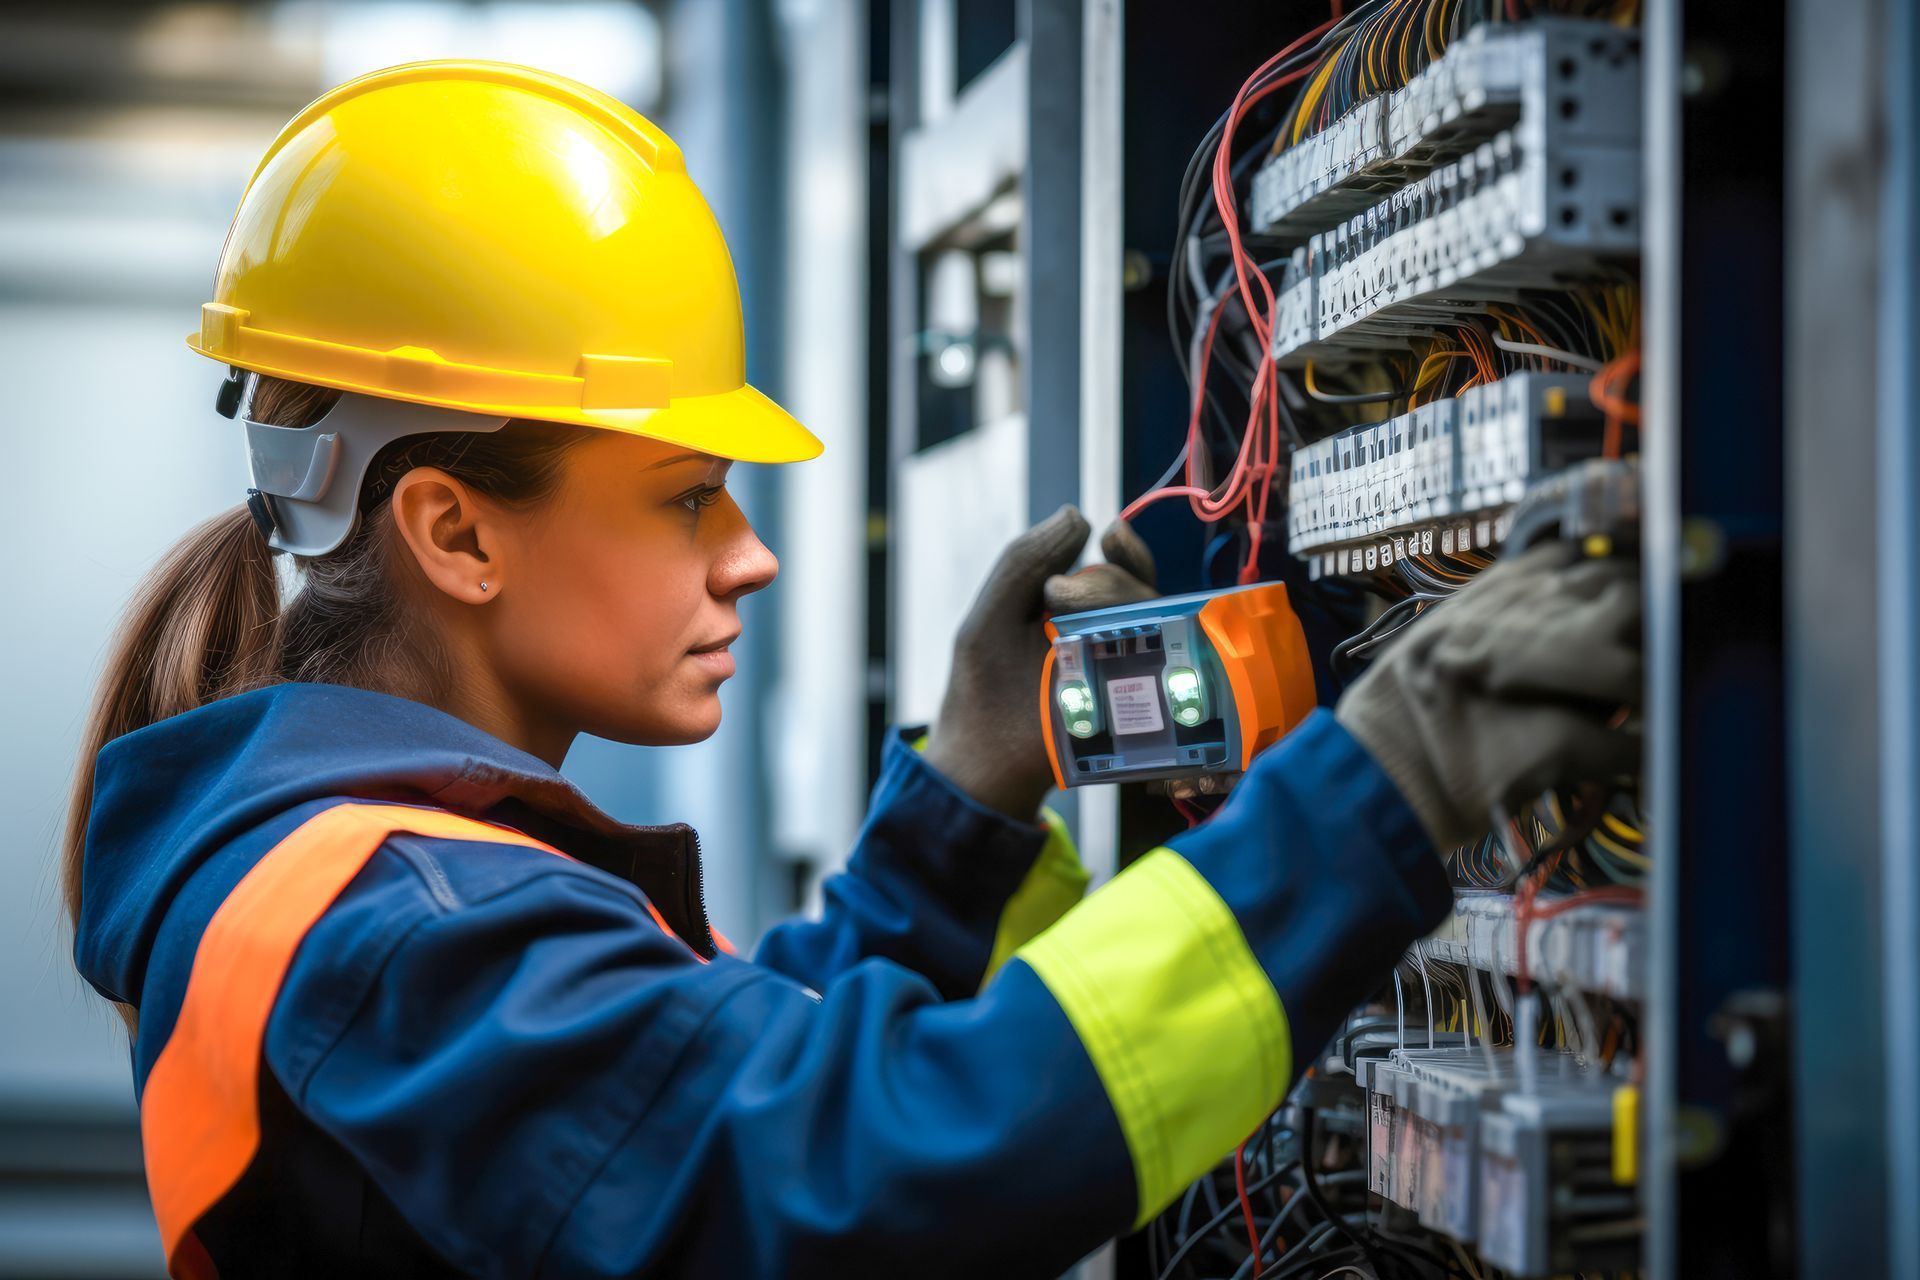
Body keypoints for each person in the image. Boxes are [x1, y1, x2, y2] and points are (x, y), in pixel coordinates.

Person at [64, 61, 1641, 1279]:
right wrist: (1381, 790)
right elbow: (867, 1176)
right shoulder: (400, 931)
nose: (747, 555)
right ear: (454, 532)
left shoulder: (388, 892)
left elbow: (707, 1093)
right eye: (688, 496)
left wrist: (962, 804)